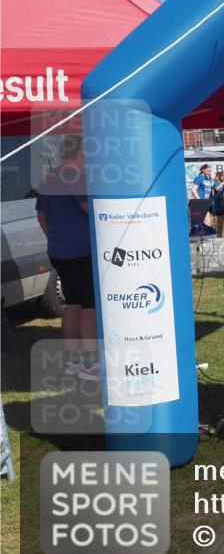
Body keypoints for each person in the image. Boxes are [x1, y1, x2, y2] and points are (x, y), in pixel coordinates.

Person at [35, 136, 99, 380]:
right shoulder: (76, 176)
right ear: (80, 152)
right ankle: (90, 364)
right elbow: (89, 209)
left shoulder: (48, 177)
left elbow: (41, 216)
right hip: (81, 252)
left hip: (59, 251)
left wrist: (56, 237)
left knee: (72, 305)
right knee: (89, 308)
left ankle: (73, 362)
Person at [211, 170, 224, 238]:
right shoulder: (216, 183)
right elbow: (217, 189)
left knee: (221, 226)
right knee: (216, 226)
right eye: (223, 176)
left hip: (222, 207)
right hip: (216, 207)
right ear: (220, 176)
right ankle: (215, 239)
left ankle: (219, 239)